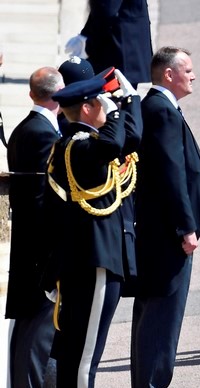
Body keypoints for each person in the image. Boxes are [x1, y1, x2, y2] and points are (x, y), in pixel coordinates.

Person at [43, 68, 140, 387]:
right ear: (87, 108)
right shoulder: (81, 147)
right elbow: (114, 144)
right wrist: (121, 107)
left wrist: (129, 103)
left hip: (82, 260)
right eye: (101, 102)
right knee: (84, 359)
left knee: (76, 354)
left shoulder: (74, 145)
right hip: (95, 261)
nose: (106, 107)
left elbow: (128, 139)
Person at [132, 46, 200, 387]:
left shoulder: (159, 106)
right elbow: (172, 173)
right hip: (168, 237)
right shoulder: (162, 110)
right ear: (169, 74)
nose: (193, 75)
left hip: (159, 233)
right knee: (162, 320)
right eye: (188, 70)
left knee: (153, 316)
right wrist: (186, 227)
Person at [5, 66, 64, 388]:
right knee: (37, 336)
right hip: (40, 256)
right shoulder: (41, 133)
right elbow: (45, 201)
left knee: (34, 333)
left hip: (33, 252)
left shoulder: (30, 128)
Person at [65, 0, 153, 87]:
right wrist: (85, 34)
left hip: (119, 52)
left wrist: (88, 45)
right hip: (124, 49)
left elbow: (106, 11)